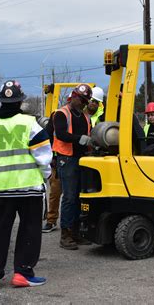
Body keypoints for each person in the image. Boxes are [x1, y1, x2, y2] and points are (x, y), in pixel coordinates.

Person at [0, 80, 52, 290]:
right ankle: (23, 273)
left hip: (0, 190)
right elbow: (44, 157)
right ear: (21, 101)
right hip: (29, 188)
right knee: (29, 230)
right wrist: (45, 177)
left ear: (1, 101)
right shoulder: (30, 124)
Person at [53, 84, 93, 250]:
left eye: (85, 101)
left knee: (79, 197)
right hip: (67, 159)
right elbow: (61, 134)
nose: (83, 103)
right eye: (81, 99)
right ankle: (66, 234)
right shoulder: (62, 113)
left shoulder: (85, 116)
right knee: (69, 197)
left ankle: (76, 232)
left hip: (82, 159)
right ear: (73, 96)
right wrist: (80, 139)